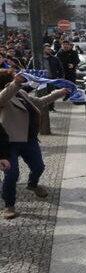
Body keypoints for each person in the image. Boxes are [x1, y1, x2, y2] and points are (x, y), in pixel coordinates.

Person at [0, 71, 69, 219]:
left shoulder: (21, 93)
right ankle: (9, 206)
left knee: (39, 167)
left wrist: (60, 92)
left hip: (29, 139)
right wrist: (15, 84)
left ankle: (32, 184)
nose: (20, 81)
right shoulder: (4, 95)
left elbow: (39, 101)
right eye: (14, 79)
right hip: (10, 143)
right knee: (12, 175)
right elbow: (2, 98)